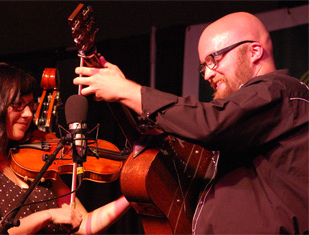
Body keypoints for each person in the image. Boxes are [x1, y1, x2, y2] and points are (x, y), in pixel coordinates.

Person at [73, 12, 309, 234]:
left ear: (254, 51)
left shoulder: (280, 90)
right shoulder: (246, 127)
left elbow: (212, 122)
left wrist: (128, 92)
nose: (207, 75)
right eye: (202, 67)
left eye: (213, 59)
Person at [0, 63, 130, 234]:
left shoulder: (37, 161)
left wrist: (131, 196)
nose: (28, 114)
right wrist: (48, 216)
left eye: (30, 105)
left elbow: (84, 224)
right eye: (18, 104)